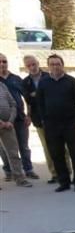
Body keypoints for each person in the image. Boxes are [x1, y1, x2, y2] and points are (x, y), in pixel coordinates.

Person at [36, 55, 75, 192]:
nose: (55, 66)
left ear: (62, 65)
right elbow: (40, 103)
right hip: (52, 125)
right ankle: (64, 182)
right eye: (52, 64)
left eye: (57, 64)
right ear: (48, 66)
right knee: (56, 154)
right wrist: (44, 119)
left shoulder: (71, 81)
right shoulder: (43, 82)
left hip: (70, 124)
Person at [21, 54, 68, 184]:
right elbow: (28, 100)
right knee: (47, 148)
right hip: (39, 119)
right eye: (29, 65)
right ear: (26, 67)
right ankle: (54, 173)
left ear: (38, 63)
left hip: (56, 117)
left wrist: (36, 95)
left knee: (61, 146)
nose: (32, 67)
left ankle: (66, 171)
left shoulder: (48, 76)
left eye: (34, 64)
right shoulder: (26, 82)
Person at [0, 53, 38, 181]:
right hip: (3, 121)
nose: (2, 64)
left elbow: (27, 98)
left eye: (4, 61)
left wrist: (29, 115)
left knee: (24, 146)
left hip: (20, 119)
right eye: (0, 62)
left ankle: (28, 169)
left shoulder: (16, 79)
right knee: (4, 149)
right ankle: (9, 171)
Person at [0, 82, 32, 187]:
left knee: (13, 152)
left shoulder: (3, 85)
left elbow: (13, 104)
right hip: (3, 123)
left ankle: (20, 178)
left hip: (8, 125)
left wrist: (10, 121)